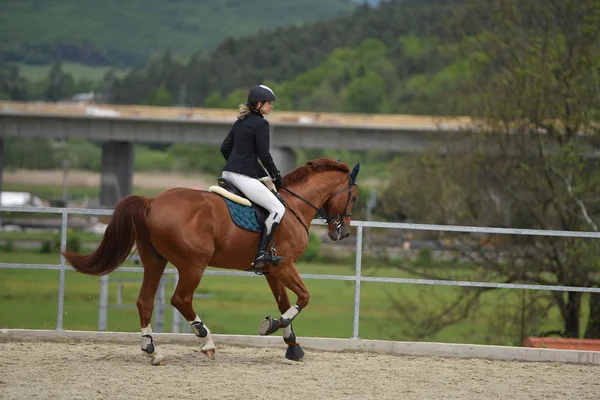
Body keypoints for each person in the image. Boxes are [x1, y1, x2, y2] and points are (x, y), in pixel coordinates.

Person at [220, 84, 286, 268]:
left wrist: (235, 164)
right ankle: (261, 253)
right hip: (242, 177)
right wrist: (276, 175)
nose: (271, 106)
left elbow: (224, 148)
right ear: (259, 104)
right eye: (269, 103)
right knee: (278, 209)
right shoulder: (262, 124)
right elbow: (264, 155)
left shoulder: (240, 122)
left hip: (228, 173)